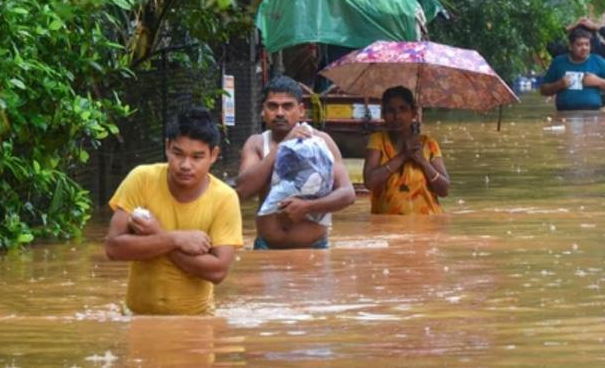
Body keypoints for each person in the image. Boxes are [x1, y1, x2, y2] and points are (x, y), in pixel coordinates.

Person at [104, 107, 243, 315]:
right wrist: (174, 239)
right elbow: (113, 248)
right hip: (136, 317)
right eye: (178, 154)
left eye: (197, 157)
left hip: (197, 323)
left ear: (213, 155)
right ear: (168, 147)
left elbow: (218, 271)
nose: (185, 165)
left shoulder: (224, 198)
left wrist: (157, 234)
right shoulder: (141, 178)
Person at [235, 75, 355, 249]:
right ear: (263, 111)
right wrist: (283, 147)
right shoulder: (257, 144)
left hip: (315, 248)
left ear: (301, 110)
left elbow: (348, 194)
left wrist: (308, 207)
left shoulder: (322, 142)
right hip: (267, 247)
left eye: (287, 106)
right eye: (272, 106)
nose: (280, 113)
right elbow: (242, 191)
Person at [363, 86, 449, 215]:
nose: (397, 116)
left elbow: (444, 190)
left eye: (403, 109)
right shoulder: (378, 141)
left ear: (413, 113)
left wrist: (423, 162)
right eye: (390, 111)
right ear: (383, 114)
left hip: (427, 226)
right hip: (387, 227)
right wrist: (403, 156)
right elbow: (370, 182)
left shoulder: (428, 144)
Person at [540, 27, 605, 111]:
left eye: (587, 44)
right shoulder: (558, 62)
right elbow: (543, 90)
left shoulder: (598, 61)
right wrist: (559, 84)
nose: (584, 48)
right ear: (570, 46)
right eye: (579, 45)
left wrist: (598, 81)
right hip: (563, 114)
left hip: (593, 114)